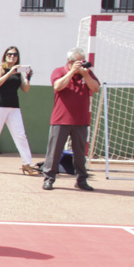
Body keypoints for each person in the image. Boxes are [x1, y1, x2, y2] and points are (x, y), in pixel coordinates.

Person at [43, 47, 100, 191]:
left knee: (80, 153)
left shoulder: (87, 73)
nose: (82, 63)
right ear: (70, 61)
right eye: (79, 61)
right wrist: (71, 72)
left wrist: (85, 75)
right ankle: (49, 178)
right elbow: (57, 86)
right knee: (54, 151)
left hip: (81, 121)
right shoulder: (59, 71)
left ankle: (81, 180)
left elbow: (96, 88)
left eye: (83, 60)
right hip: (61, 120)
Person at [0, 46, 40, 175]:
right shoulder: (0, 69)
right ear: (5, 55)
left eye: (14, 55)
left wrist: (28, 78)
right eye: (9, 54)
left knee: (21, 135)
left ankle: (26, 164)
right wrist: (9, 72)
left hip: (14, 107)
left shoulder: (18, 72)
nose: (12, 57)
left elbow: (25, 89)